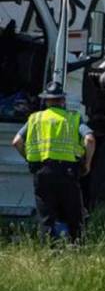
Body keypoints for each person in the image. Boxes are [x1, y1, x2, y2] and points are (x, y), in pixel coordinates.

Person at [11, 82, 95, 242]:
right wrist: (87, 164)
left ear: (46, 101)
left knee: (46, 218)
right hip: (67, 173)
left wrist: (30, 158)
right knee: (74, 215)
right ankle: (77, 248)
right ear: (63, 100)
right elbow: (89, 139)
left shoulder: (35, 118)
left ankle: (48, 251)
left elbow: (16, 142)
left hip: (42, 172)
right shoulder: (73, 118)